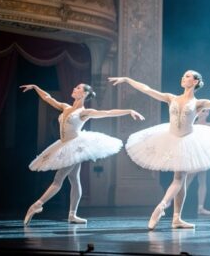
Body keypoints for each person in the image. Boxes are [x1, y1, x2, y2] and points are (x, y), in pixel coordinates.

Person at [109, 71, 210, 229]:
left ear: (196, 81)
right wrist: (128, 79)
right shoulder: (171, 98)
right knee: (179, 179)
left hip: (187, 141)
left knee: (179, 179)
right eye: (183, 75)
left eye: (188, 76)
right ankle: (163, 207)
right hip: (170, 138)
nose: (183, 77)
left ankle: (174, 216)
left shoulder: (199, 103)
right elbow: (147, 89)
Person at [21, 83, 143, 225]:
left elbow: (107, 113)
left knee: (58, 179)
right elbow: (48, 98)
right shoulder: (66, 107)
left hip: (75, 146)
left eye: (78, 88)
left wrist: (129, 111)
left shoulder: (84, 112)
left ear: (84, 94)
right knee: (74, 178)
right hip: (64, 144)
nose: (74, 88)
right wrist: (36, 87)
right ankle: (72, 215)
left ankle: (37, 205)